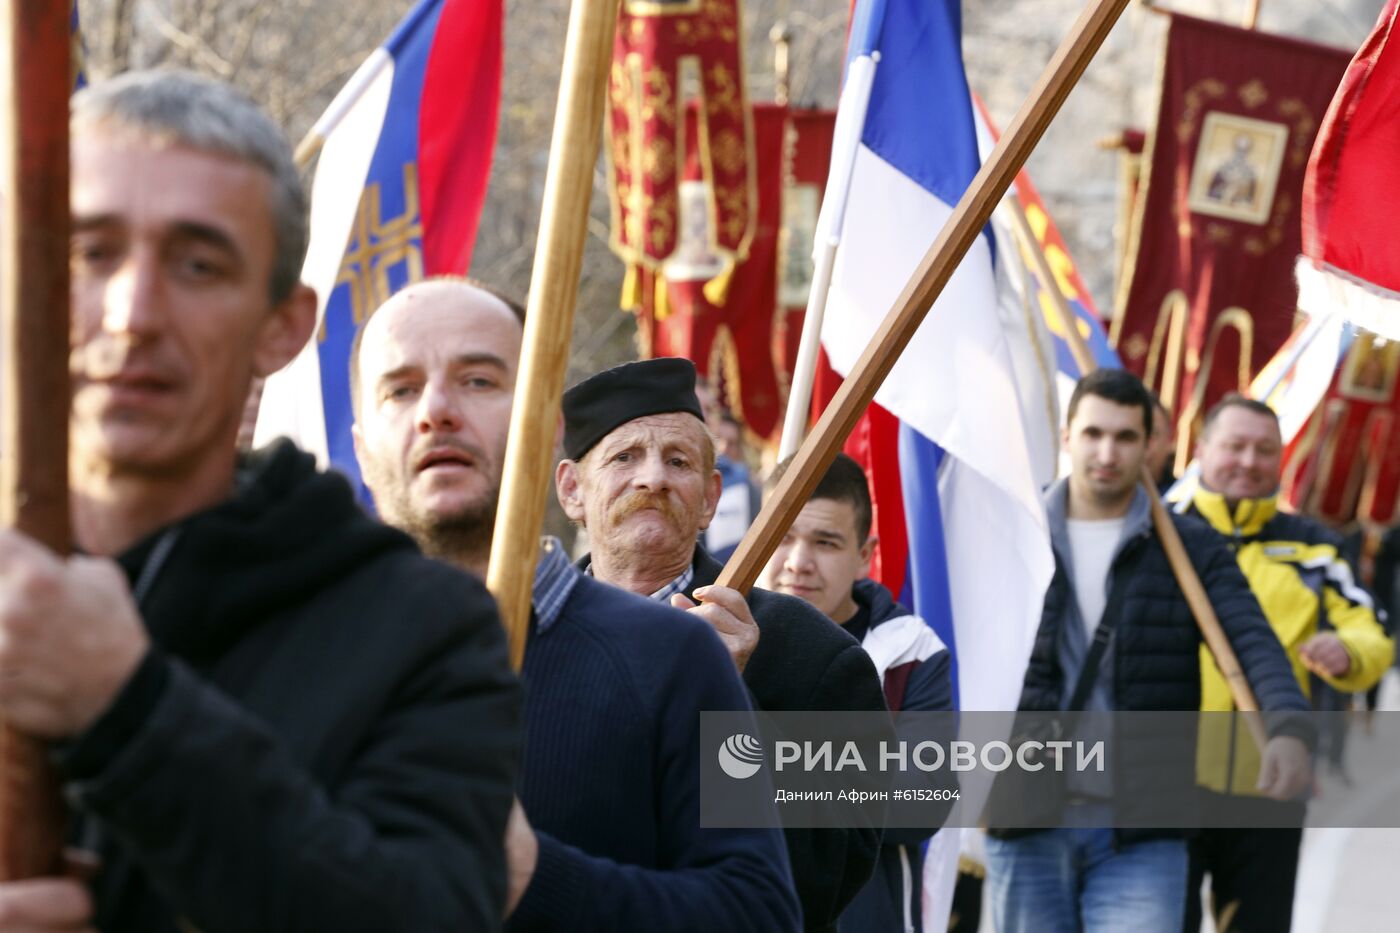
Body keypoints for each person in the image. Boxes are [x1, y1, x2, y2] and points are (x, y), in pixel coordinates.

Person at [0, 71, 520, 931]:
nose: (133, 313)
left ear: (283, 325)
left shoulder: (435, 632)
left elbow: (773, 878)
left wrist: (131, 711)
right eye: (91, 253)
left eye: (199, 264)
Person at [349, 279, 801, 932]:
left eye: (478, 380)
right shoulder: (290, 650)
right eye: (401, 388)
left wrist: (531, 874)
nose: (437, 410)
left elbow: (912, 796)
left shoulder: (696, 654)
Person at [556, 357, 889, 933]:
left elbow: (822, 881)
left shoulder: (815, 655)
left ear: (712, 495)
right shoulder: (516, 640)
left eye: (678, 460)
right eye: (624, 457)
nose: (653, 478)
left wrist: (725, 704)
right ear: (571, 490)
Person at [983, 369, 1313, 933]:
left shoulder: (1189, 547)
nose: (1107, 452)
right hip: (1027, 816)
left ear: (1151, 445)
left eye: (1126, 437)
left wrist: (1285, 728)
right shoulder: (1014, 531)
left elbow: (1251, 640)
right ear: (1067, 437)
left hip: (1143, 828)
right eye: (1093, 434)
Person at [1174, 394, 1394, 932]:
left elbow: (1375, 631)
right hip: (1165, 786)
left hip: (1271, 787)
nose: (1249, 462)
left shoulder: (1313, 547)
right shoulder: (1163, 533)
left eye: (1264, 450)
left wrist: (1349, 653)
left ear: (1281, 457)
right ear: (1202, 450)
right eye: (1235, 446)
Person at [761, 452, 954, 933]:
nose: (799, 563)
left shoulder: (911, 650)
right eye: (782, 536)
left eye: (825, 542)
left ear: (865, 554)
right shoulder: (708, 633)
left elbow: (919, 801)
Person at [1146, 391, 1176, 490]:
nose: (1143, 445)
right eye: (1129, 436)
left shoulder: (1183, 499)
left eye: (1152, 434)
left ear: (1170, 441)